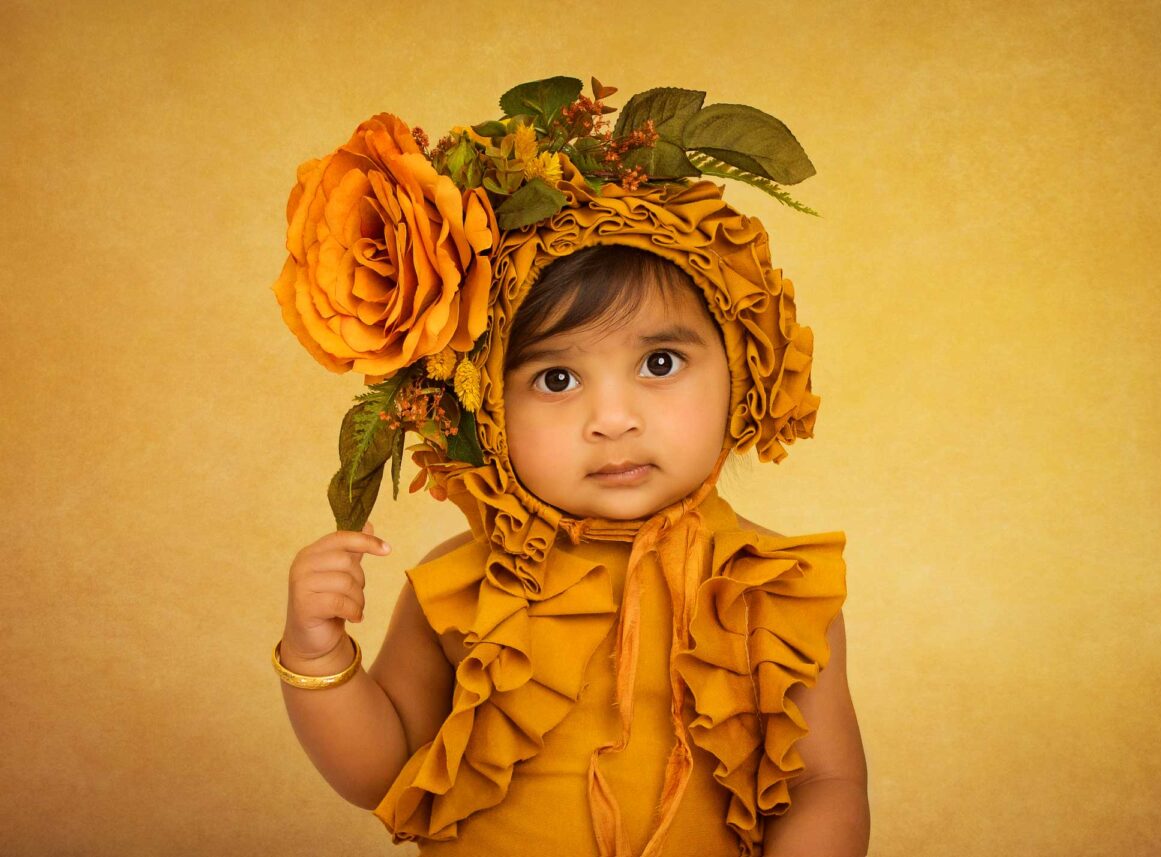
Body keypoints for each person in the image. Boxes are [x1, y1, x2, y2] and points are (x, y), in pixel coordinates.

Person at [270, 77, 869, 856]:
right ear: (485, 410)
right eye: (556, 379)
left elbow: (827, 783)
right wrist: (319, 657)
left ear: (741, 369)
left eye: (659, 361)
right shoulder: (464, 585)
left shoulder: (771, 589)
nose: (613, 418)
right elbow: (382, 769)